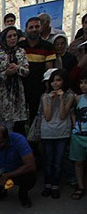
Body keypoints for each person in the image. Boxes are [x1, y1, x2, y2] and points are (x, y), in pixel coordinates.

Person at [39, 69, 74, 199]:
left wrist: (61, 99)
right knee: (48, 161)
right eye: (53, 81)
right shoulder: (45, 96)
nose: (55, 83)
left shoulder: (69, 96)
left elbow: (63, 114)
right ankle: (47, 185)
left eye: (58, 80)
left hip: (62, 132)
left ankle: (55, 186)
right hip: (47, 132)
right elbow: (47, 116)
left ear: (64, 81)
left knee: (58, 161)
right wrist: (51, 100)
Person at [0, 26, 30, 135]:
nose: (12, 38)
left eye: (14, 36)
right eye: (9, 36)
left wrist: (18, 68)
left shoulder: (21, 52)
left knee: (17, 127)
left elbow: (26, 71)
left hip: (17, 93)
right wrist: (5, 73)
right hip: (1, 93)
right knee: (2, 126)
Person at [19, 17, 56, 126]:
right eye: (31, 27)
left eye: (37, 26)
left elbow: (49, 69)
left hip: (38, 88)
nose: (34, 29)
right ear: (26, 30)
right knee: (19, 119)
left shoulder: (48, 47)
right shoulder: (20, 47)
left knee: (35, 117)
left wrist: (47, 86)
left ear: (41, 28)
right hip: (21, 87)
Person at [69, 73, 87, 200]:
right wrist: (74, 124)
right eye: (81, 83)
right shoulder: (78, 98)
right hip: (79, 134)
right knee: (78, 162)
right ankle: (81, 187)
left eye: (86, 83)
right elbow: (72, 112)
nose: (83, 86)